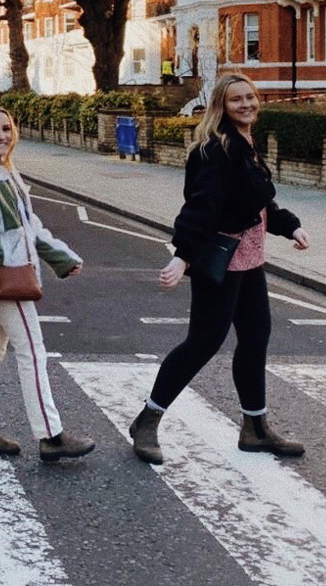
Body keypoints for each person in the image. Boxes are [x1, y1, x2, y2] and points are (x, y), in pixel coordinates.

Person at [129, 73, 311, 465]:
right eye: (236, 100)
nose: (246, 105)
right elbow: (200, 207)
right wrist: (182, 256)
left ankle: (255, 427)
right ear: (221, 107)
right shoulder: (214, 149)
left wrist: (290, 225)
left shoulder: (246, 144)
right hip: (223, 262)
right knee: (203, 343)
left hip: (250, 261)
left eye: (250, 97)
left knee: (256, 338)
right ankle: (147, 420)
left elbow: (261, 204)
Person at [0, 105, 96, 463]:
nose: (1, 136)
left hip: (9, 272)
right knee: (32, 353)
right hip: (5, 277)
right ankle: (50, 435)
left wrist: (62, 258)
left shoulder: (6, 170)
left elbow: (28, 226)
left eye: (5, 128)